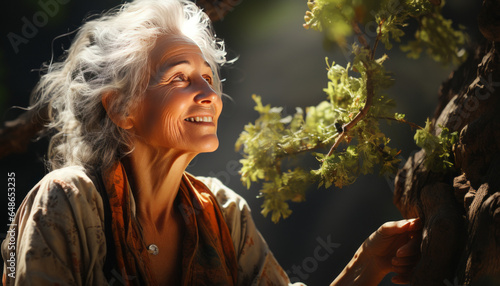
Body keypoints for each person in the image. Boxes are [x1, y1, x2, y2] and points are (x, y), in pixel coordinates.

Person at [1, 0, 422, 285]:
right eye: (179, 78)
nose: (208, 94)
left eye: (207, 76)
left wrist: (364, 266)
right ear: (121, 108)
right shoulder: (66, 201)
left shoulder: (223, 212)